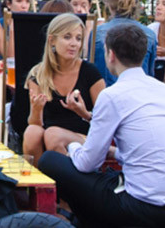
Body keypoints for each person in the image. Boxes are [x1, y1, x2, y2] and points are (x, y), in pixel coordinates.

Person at [38, 23, 165, 228]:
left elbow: (87, 163)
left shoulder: (113, 94)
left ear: (110, 55)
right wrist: (114, 152)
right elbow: (153, 150)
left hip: (140, 206)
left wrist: (73, 146)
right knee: (107, 178)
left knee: (49, 160)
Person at [22, 13, 105, 163]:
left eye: (78, 38)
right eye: (67, 37)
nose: (74, 43)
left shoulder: (90, 72)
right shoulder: (38, 75)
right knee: (32, 133)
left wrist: (84, 113)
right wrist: (36, 110)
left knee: (53, 135)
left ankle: (67, 177)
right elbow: (35, 124)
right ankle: (39, 178)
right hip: (49, 135)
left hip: (83, 138)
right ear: (52, 40)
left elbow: (105, 121)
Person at [92, 0, 157, 86]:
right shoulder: (149, 34)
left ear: (108, 4)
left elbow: (91, 72)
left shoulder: (97, 33)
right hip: (140, 92)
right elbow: (150, 74)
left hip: (105, 93)